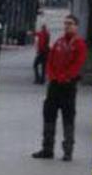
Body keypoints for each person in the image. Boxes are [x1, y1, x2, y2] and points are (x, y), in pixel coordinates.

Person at [32, 15, 87, 162]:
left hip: (68, 86)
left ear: (76, 26)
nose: (67, 26)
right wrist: (52, 75)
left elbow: (78, 63)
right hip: (55, 85)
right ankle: (47, 148)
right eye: (66, 24)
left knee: (68, 117)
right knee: (49, 114)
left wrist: (66, 76)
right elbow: (50, 61)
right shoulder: (59, 42)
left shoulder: (79, 44)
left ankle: (68, 151)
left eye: (70, 24)